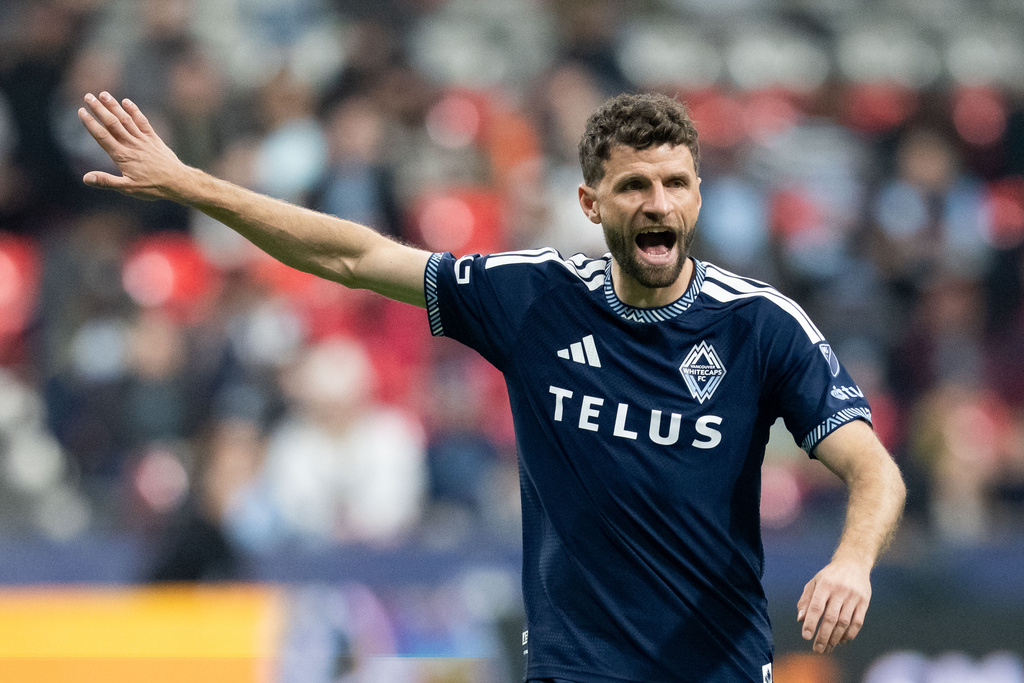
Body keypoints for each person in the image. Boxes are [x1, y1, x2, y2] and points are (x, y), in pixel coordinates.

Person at [78, 90, 906, 682]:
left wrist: (853, 563)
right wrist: (191, 184)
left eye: (676, 184)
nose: (660, 204)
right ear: (592, 202)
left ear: (698, 194)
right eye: (635, 186)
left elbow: (874, 467)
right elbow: (353, 257)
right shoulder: (533, 297)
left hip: (717, 667)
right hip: (575, 667)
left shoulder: (760, 325)